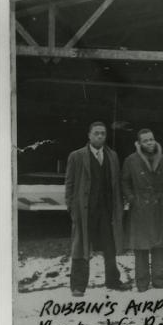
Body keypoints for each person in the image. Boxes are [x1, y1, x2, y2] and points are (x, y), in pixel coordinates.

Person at [65, 121, 130, 296]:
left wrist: (117, 208)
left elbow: (115, 184)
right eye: (96, 133)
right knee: (81, 248)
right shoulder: (76, 156)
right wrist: (72, 209)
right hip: (85, 212)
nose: (100, 136)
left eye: (103, 133)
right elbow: (69, 185)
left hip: (106, 212)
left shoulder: (112, 156)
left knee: (110, 247)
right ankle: (78, 286)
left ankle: (113, 281)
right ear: (89, 135)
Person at [121, 129, 163, 292]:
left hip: (158, 207)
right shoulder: (131, 160)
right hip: (140, 207)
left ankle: (158, 279)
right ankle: (142, 281)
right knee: (140, 246)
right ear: (139, 143)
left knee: (159, 245)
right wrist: (131, 198)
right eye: (145, 141)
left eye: (152, 139)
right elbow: (125, 182)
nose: (150, 143)